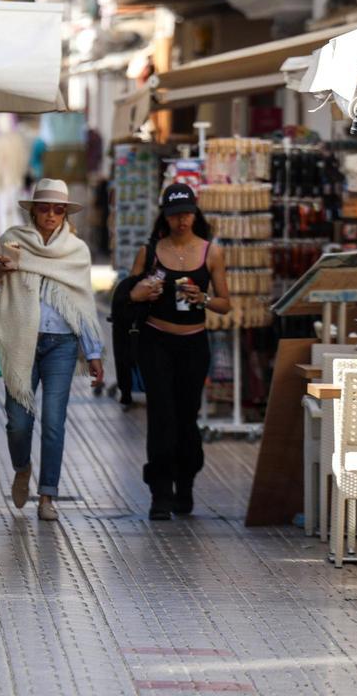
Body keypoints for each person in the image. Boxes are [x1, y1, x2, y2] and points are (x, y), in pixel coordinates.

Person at [0, 179, 105, 521]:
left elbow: (83, 303)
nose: (51, 215)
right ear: (33, 210)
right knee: (17, 424)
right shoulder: (12, 241)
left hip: (61, 345)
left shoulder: (76, 251)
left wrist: (93, 353)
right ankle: (22, 468)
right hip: (20, 340)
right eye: (44, 208)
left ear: (65, 214)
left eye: (58, 209)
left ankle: (47, 495)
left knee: (54, 421)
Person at [124, 183, 231, 521]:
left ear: (195, 213)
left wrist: (204, 299)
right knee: (161, 416)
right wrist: (142, 292)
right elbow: (127, 293)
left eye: (186, 214)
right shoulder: (150, 252)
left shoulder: (211, 253)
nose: (181, 221)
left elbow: (225, 304)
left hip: (194, 344)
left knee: (187, 416)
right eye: (174, 215)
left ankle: (185, 483)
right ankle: (160, 492)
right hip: (156, 342)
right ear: (165, 217)